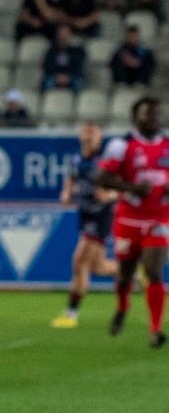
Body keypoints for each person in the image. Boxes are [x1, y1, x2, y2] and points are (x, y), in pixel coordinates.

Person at [96, 96, 169, 348]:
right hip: (128, 219)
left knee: (154, 271)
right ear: (135, 117)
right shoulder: (121, 145)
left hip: (159, 217)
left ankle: (155, 330)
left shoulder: (167, 144)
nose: (153, 119)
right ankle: (122, 307)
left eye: (156, 114)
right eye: (148, 114)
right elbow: (103, 178)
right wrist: (133, 188)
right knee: (125, 274)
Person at [53, 121, 118, 329]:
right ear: (81, 136)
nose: (89, 137)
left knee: (79, 261)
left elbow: (122, 186)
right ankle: (127, 268)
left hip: (101, 215)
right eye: (86, 133)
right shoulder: (76, 159)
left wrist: (109, 195)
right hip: (85, 213)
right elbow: (71, 179)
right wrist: (66, 192)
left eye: (93, 133)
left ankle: (71, 313)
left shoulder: (105, 161)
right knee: (98, 267)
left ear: (99, 138)